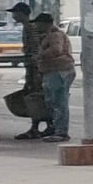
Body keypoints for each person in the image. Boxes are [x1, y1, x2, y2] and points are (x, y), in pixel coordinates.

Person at [6, 1, 49, 140]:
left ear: (22, 14)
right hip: (31, 66)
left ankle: (39, 126)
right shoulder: (27, 28)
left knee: (35, 97)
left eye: (15, 13)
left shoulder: (31, 28)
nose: (13, 16)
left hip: (35, 67)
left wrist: (35, 66)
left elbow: (37, 48)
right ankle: (43, 124)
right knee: (35, 96)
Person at [29, 10, 73, 144]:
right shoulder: (48, 35)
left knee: (58, 102)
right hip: (53, 71)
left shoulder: (54, 35)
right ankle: (56, 129)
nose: (36, 27)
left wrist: (39, 56)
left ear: (45, 24)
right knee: (53, 101)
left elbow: (56, 50)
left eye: (38, 24)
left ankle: (61, 132)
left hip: (58, 71)